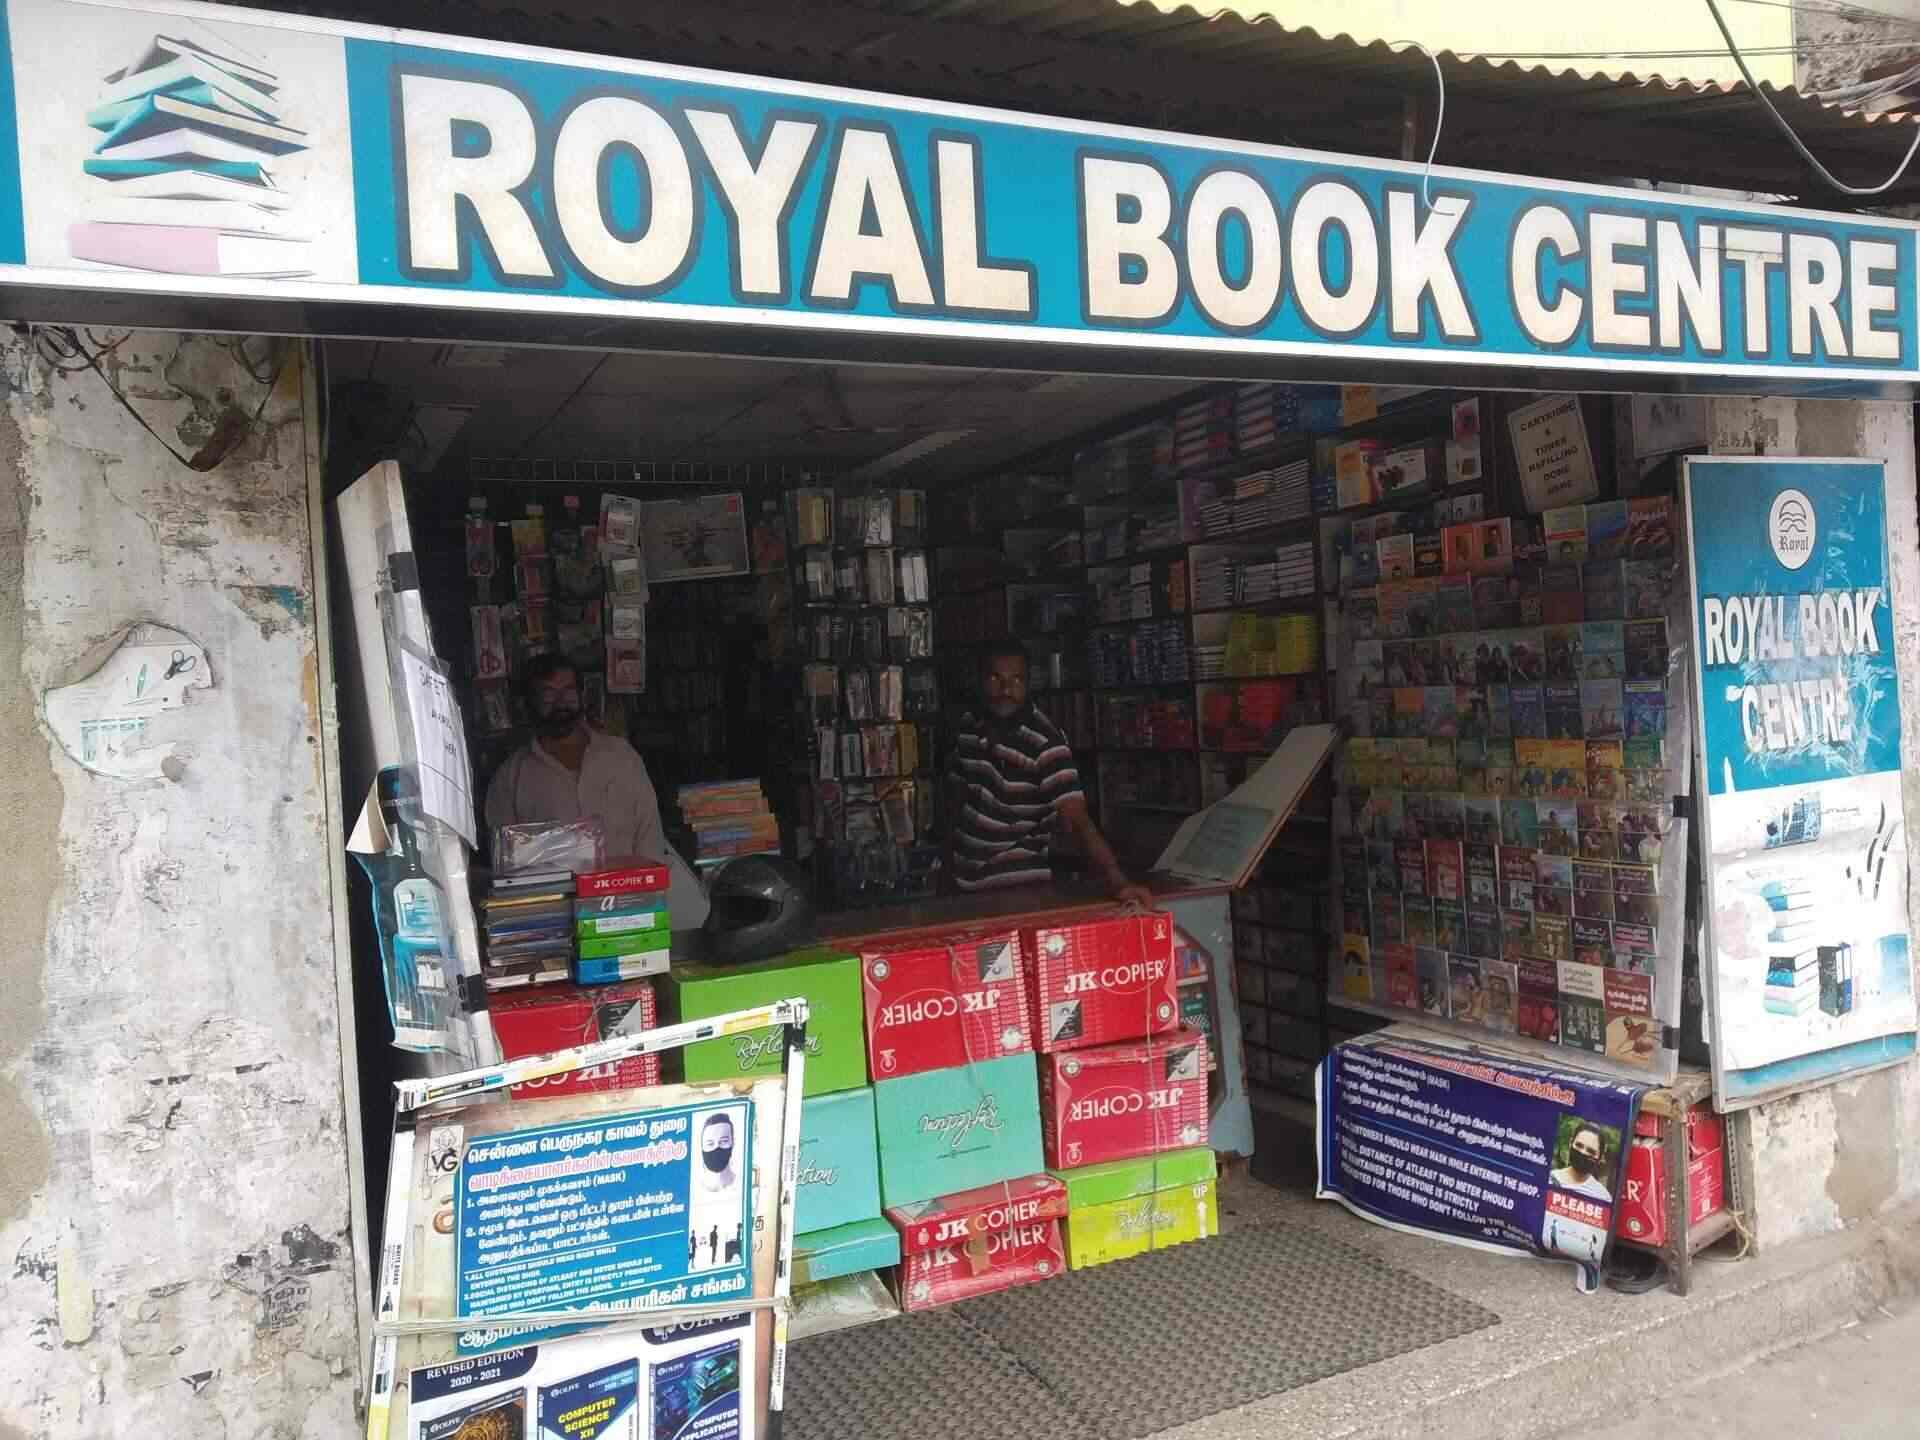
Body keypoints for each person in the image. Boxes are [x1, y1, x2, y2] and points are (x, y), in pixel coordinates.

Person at [484, 653, 709, 923]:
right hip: (554, 924)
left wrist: (646, 899)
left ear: (581, 695)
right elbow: (505, 869)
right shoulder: (511, 777)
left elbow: (650, 839)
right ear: (530, 702)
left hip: (631, 910)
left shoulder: (622, 758)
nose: (561, 702)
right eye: (548, 693)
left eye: (568, 690)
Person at [944, 641, 1151, 905]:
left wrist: (1118, 882)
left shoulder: (1045, 744)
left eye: (1016, 680)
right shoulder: (969, 727)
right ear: (981, 681)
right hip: (964, 883)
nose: (1006, 690)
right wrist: (946, 866)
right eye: (996, 678)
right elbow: (957, 798)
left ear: (1028, 684)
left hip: (1019, 888)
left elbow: (1077, 819)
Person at [1549, 1123, 1614, 1200]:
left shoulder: (1603, 1196)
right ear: (1570, 1143)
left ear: (1600, 1157)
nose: (1583, 1152)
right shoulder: (1550, 1179)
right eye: (1579, 1145)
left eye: (1591, 1151)